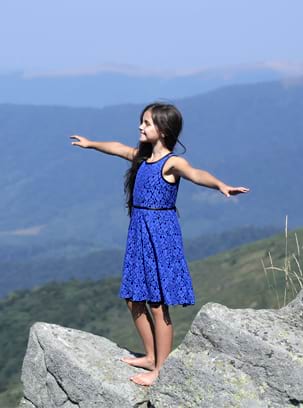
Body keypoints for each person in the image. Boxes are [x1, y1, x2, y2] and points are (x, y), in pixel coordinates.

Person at [70, 102, 250, 386]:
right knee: (133, 298)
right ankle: (151, 356)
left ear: (163, 130)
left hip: (161, 235)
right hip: (140, 231)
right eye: (141, 121)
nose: (141, 127)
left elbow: (197, 173)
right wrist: (91, 144)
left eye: (147, 123)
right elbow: (117, 147)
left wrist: (220, 185)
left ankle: (161, 370)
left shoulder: (172, 163)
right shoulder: (141, 158)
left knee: (157, 305)